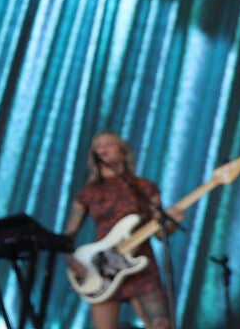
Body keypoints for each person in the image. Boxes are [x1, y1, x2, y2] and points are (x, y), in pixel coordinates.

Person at [63, 131, 184, 329]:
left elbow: (160, 234)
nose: (102, 149)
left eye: (108, 144)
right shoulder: (88, 193)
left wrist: (170, 223)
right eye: (97, 146)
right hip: (103, 268)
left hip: (142, 265)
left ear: (123, 152)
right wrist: (72, 262)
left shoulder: (144, 187)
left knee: (161, 325)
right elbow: (67, 236)